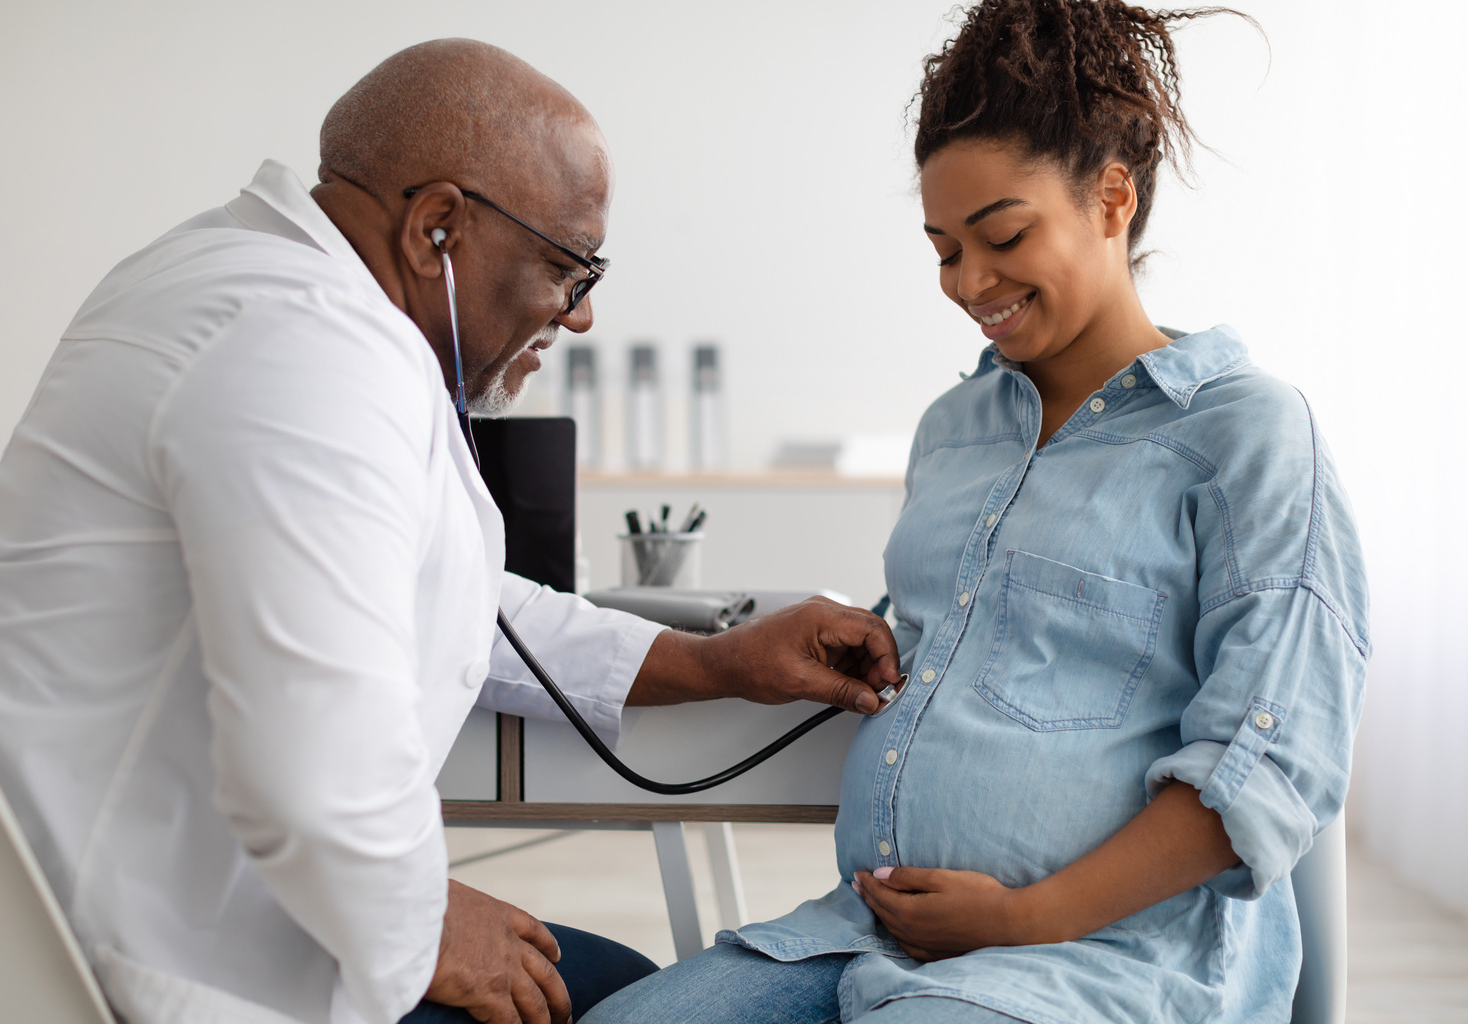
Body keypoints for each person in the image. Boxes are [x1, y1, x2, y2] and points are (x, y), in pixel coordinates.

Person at [0, 39, 903, 1024]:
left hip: (93, 894)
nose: (579, 319)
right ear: (437, 228)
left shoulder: (260, 290)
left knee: (611, 980)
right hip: (125, 956)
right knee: (627, 1001)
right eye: (569, 269)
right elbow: (315, 775)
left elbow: (450, 602)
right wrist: (426, 923)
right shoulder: (308, 353)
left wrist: (714, 661)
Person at [583, 2, 1369, 1022]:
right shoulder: (956, 428)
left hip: (1107, 964)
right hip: (862, 935)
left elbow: (1267, 766)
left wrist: (1026, 915)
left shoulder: (1248, 436)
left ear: (1113, 198)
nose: (967, 283)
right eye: (944, 247)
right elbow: (993, 656)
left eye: (1001, 236)